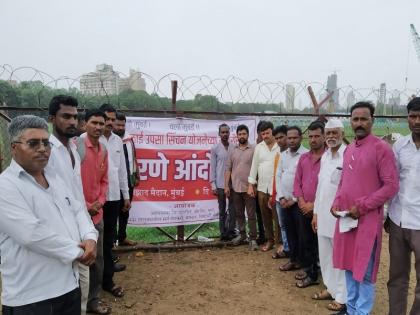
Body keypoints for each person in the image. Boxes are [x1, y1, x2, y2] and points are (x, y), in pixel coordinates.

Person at [0, 115, 97, 315]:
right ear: (14, 147)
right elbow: (32, 234)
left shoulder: (56, 180)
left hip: (70, 286)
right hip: (33, 298)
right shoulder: (6, 186)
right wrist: (81, 253)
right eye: (33, 143)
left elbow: (78, 211)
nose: (42, 148)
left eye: (46, 143)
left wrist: (90, 237)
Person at [331, 102, 399, 315]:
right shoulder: (349, 148)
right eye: (355, 119)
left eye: (364, 119)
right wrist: (336, 202)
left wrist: (361, 207)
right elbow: (344, 181)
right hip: (346, 220)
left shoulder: (382, 149)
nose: (359, 123)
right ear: (350, 121)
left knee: (365, 270)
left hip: (367, 220)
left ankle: (361, 312)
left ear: (373, 120)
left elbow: (391, 186)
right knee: (349, 266)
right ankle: (351, 310)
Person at [47, 95, 97, 315]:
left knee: (81, 292)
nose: (72, 122)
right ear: (52, 118)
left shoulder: (74, 149)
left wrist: (89, 234)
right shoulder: (45, 151)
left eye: (75, 117)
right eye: (65, 116)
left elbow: (76, 197)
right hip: (58, 235)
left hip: (80, 231)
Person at [387, 97, 420, 315]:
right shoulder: (399, 146)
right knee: (397, 277)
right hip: (398, 219)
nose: (416, 121)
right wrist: (387, 216)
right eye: (412, 116)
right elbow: (391, 182)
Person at [311, 119, 347, 313]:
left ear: (342, 133)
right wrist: (315, 213)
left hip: (339, 216)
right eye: (329, 133)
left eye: (335, 133)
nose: (331, 136)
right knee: (325, 255)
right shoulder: (325, 156)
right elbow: (320, 188)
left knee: (339, 258)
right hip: (323, 214)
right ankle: (331, 288)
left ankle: (342, 297)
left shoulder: (347, 155)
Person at [79, 109, 111, 315]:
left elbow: (104, 181)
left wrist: (99, 201)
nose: (98, 127)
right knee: (78, 259)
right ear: (85, 124)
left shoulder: (103, 149)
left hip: (96, 215)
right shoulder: (76, 147)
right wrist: (85, 206)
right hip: (78, 215)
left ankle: (93, 300)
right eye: (94, 123)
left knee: (96, 261)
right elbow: (68, 183)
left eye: (102, 123)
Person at [98, 103, 130, 295]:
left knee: (109, 240)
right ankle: (92, 283)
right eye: (106, 119)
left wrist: (125, 195)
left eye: (112, 119)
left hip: (114, 197)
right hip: (94, 200)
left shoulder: (118, 142)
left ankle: (107, 281)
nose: (109, 123)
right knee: (94, 240)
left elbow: (122, 172)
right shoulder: (88, 140)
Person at [293, 120, 325, 288]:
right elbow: (297, 182)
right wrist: (302, 202)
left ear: (324, 136)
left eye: (317, 136)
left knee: (323, 244)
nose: (313, 140)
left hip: (321, 210)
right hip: (303, 208)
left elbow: (330, 188)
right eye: (310, 136)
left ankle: (323, 275)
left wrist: (314, 205)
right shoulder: (304, 158)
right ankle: (310, 271)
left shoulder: (329, 158)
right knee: (306, 241)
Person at [279, 126, 308, 272]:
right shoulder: (283, 155)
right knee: (289, 231)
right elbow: (279, 176)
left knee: (302, 233)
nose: (291, 140)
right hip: (284, 202)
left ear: (301, 138)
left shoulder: (306, 155)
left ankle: (303, 262)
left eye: (294, 138)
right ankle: (293, 259)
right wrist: (281, 197)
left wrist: (295, 200)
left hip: (299, 202)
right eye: (289, 138)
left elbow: (306, 181)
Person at [248, 121, 280, 252]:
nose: (265, 136)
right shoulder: (259, 147)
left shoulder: (280, 145)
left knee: (277, 217)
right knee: (265, 217)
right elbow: (254, 166)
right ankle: (270, 241)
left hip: (277, 189)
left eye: (267, 133)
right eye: (263, 134)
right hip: (262, 188)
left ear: (272, 131)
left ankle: (279, 243)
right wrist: (251, 184)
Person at [224, 124, 258, 250]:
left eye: (244, 134)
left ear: (248, 135)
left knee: (251, 215)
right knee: (239, 214)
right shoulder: (232, 150)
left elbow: (257, 168)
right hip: (235, 188)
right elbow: (228, 169)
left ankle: (253, 238)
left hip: (249, 189)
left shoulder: (254, 149)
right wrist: (226, 186)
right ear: (237, 136)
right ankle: (242, 235)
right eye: (239, 134)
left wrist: (253, 185)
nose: (242, 136)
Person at [113, 112, 139, 246]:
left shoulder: (129, 139)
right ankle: (111, 242)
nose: (120, 127)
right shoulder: (108, 140)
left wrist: (137, 173)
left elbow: (133, 157)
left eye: (123, 125)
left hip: (128, 180)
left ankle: (122, 238)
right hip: (112, 182)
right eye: (118, 124)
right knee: (112, 213)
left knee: (125, 210)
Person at [210, 123, 236, 241]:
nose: (225, 134)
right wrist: (213, 184)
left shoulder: (234, 147)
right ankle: (223, 233)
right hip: (220, 184)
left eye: (227, 132)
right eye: (223, 132)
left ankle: (231, 231)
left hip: (233, 184)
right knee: (222, 210)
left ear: (229, 133)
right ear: (219, 134)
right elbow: (212, 167)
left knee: (232, 209)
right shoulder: (215, 148)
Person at [271, 125, 289, 259]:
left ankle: (293, 251)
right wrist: (274, 195)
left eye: (281, 137)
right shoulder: (278, 155)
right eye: (276, 138)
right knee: (283, 225)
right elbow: (276, 176)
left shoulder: (299, 154)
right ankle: (287, 248)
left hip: (293, 199)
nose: (279, 140)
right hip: (279, 197)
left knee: (293, 226)